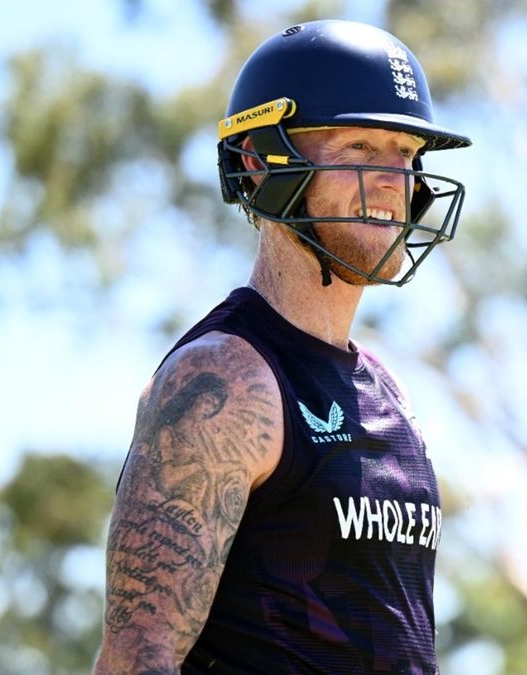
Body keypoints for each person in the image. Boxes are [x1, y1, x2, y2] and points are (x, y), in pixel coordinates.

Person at [94, 19, 470, 674]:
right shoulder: (223, 379)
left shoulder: (387, 388)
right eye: (361, 146)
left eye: (408, 153)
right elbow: (136, 659)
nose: (396, 180)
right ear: (259, 161)